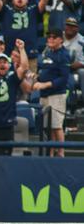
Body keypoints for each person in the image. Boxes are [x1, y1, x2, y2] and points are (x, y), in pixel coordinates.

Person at [33, 28, 71, 157]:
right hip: (44, 95)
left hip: (56, 94)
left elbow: (63, 78)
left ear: (61, 39)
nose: (50, 39)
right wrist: (36, 77)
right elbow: (43, 72)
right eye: (48, 37)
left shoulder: (64, 54)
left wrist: (44, 84)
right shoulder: (47, 52)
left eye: (54, 37)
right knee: (47, 127)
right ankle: (50, 151)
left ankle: (61, 153)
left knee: (56, 125)